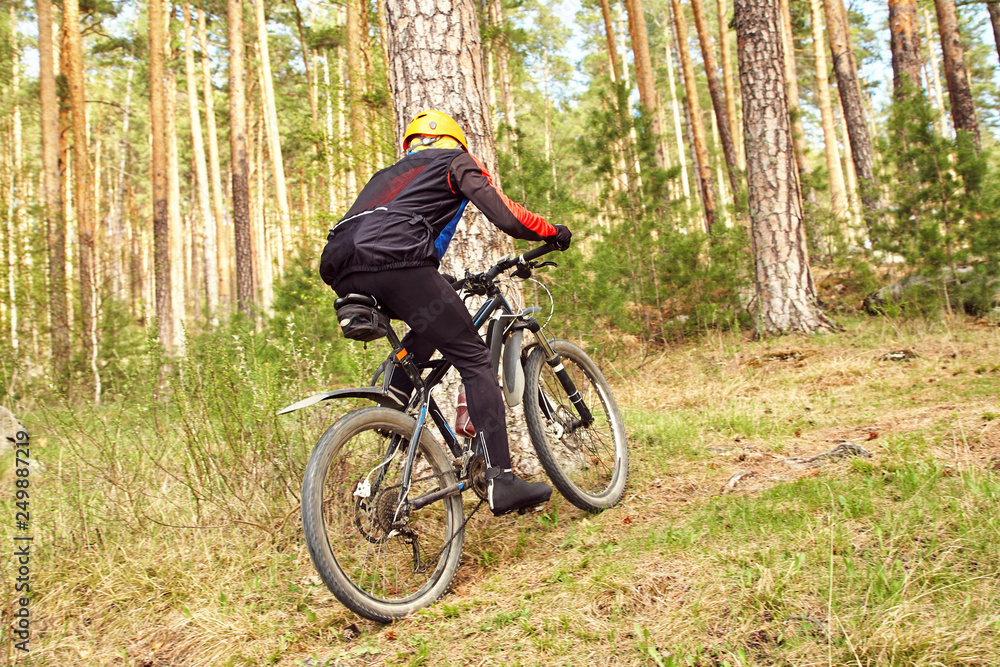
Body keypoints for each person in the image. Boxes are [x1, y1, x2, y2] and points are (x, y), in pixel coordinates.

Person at [320, 110, 572, 516]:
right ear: (456, 143)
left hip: (343, 269)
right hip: (398, 262)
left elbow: (397, 233)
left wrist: (435, 281)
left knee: (430, 318)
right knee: (473, 359)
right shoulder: (455, 161)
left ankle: (394, 399)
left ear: (411, 146)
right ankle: (502, 480)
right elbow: (505, 215)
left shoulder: (387, 176)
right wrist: (551, 232)